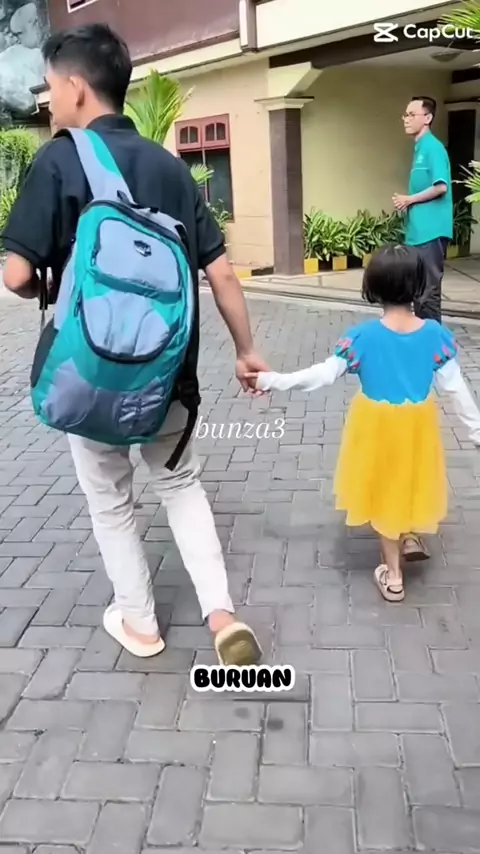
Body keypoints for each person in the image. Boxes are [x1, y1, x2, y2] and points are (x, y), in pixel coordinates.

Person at [1, 23, 268, 665]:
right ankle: (221, 613)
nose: (48, 100)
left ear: (75, 87)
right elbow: (222, 274)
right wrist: (245, 350)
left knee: (111, 500)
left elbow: (14, 274)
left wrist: (47, 283)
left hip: (90, 369)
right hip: (167, 371)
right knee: (181, 484)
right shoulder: (172, 168)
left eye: (50, 87)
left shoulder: (59, 159)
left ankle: (141, 624)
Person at [246, 245, 480, 601]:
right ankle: (409, 533)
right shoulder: (434, 335)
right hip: (417, 426)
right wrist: (476, 430)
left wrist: (271, 380)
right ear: (418, 285)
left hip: (375, 428)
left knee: (383, 492)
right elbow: (456, 388)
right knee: (410, 479)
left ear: (373, 286)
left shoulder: (364, 337)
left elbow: (322, 375)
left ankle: (394, 576)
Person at [392, 95, 453, 562]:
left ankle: (436, 352)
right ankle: (425, 345)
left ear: (427, 117)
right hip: (417, 233)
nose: (407, 118)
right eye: (407, 114)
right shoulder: (418, 148)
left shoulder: (433, 148)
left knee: (429, 295)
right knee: (418, 293)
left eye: (412, 113)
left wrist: (409, 200)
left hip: (430, 232)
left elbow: (441, 186)